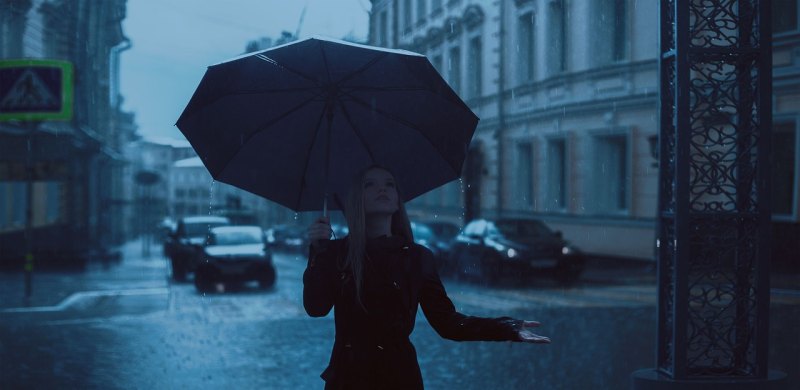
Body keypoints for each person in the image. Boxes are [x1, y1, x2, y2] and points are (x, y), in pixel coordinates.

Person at [303, 165, 550, 389]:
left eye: (389, 184)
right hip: (348, 379)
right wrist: (318, 251)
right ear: (357, 199)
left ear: (398, 199)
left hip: (398, 378)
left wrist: (505, 328)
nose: (383, 189)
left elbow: (448, 323)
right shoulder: (337, 254)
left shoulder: (416, 257)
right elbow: (316, 307)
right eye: (370, 184)